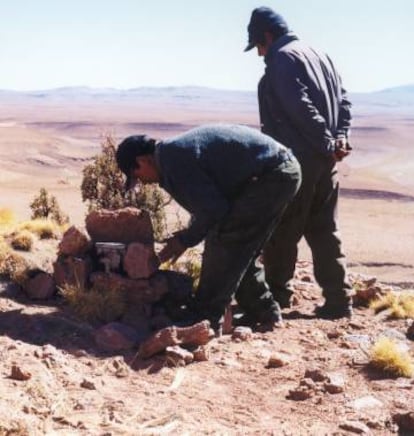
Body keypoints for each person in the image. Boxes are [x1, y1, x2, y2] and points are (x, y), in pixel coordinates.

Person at [116, 124, 301, 330]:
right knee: (238, 246)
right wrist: (186, 237)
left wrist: (185, 240)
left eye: (136, 174)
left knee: (225, 239)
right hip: (274, 172)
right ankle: (264, 311)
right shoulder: (170, 158)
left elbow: (214, 211)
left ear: (143, 160)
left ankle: (205, 318)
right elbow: (208, 206)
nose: (141, 181)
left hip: (274, 175)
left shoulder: (173, 161)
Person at [244, 7, 353, 318]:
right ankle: (338, 300)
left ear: (267, 36)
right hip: (325, 160)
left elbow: (299, 106)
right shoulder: (320, 54)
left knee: (283, 229)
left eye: (258, 46)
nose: (259, 54)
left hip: (299, 160)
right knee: (324, 230)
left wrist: (327, 140)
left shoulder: (282, 58)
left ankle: (275, 298)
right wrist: (338, 139)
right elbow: (344, 100)